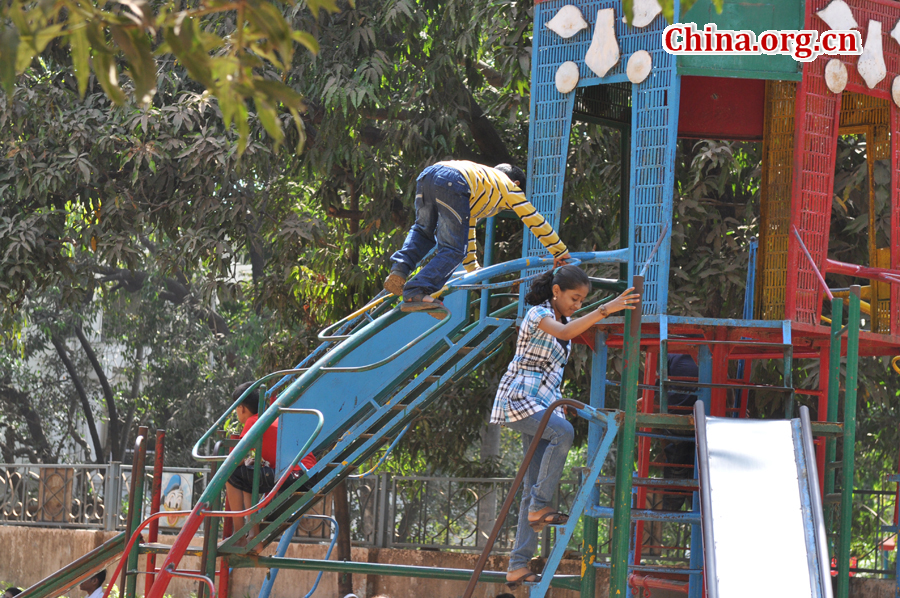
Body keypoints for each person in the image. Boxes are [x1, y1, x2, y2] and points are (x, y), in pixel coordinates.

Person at [490, 265, 640, 587]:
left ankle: (518, 563)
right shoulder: (537, 315)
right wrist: (605, 309)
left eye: (583, 299)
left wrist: (558, 403)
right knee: (565, 434)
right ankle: (540, 506)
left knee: (534, 485)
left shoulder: (566, 319)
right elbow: (565, 334)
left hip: (543, 402)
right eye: (575, 298)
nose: (577, 304)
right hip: (518, 398)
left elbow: (555, 362)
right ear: (556, 291)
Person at [384, 161, 571, 315]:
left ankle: (399, 270)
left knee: (423, 232)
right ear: (517, 184)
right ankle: (416, 290)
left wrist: (473, 269)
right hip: (453, 181)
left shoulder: (482, 180)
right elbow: (534, 220)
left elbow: (468, 227)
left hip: (428, 175)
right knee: (454, 249)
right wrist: (560, 252)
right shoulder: (508, 186)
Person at [226, 382, 317, 545]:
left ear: (242, 408)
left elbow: (235, 460)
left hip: (296, 473)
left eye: (236, 408)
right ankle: (253, 536)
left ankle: (239, 536)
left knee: (229, 474)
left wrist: (236, 462)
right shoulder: (272, 417)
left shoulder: (254, 421)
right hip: (306, 472)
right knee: (248, 475)